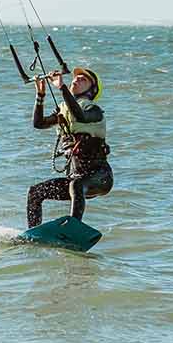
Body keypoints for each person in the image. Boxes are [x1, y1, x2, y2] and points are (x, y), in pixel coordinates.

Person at [26, 66, 112, 229]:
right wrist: (40, 95)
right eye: (75, 77)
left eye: (83, 79)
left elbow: (80, 116)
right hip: (76, 177)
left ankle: (73, 228)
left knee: (76, 184)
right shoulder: (64, 109)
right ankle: (33, 233)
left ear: (92, 90)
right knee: (35, 192)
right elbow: (39, 123)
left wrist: (61, 87)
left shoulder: (94, 110)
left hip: (100, 177)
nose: (76, 79)